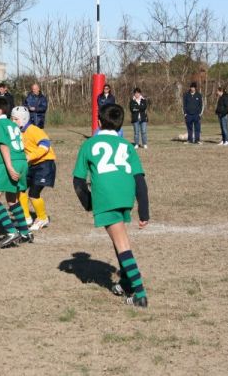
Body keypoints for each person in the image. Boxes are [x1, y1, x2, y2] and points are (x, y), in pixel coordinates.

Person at [72, 103, 149, 307]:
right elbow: (139, 179)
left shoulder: (89, 145)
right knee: (119, 238)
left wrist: (89, 203)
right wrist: (144, 210)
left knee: (122, 244)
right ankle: (125, 283)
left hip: (107, 196)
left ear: (98, 122)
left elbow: (78, 181)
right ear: (121, 125)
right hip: (126, 194)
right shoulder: (127, 145)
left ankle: (139, 293)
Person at [0, 97, 32, 248]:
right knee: (12, 199)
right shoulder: (12, 123)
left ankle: (12, 232)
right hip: (22, 161)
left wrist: (9, 167)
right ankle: (25, 232)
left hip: (9, 163)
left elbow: (4, 146)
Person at [10, 106, 56, 231]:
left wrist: (30, 156)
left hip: (44, 165)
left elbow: (45, 145)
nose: (13, 122)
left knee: (34, 194)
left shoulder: (34, 130)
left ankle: (42, 218)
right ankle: (26, 218)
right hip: (31, 165)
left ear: (24, 119)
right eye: (12, 119)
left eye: (15, 119)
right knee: (21, 190)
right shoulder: (18, 132)